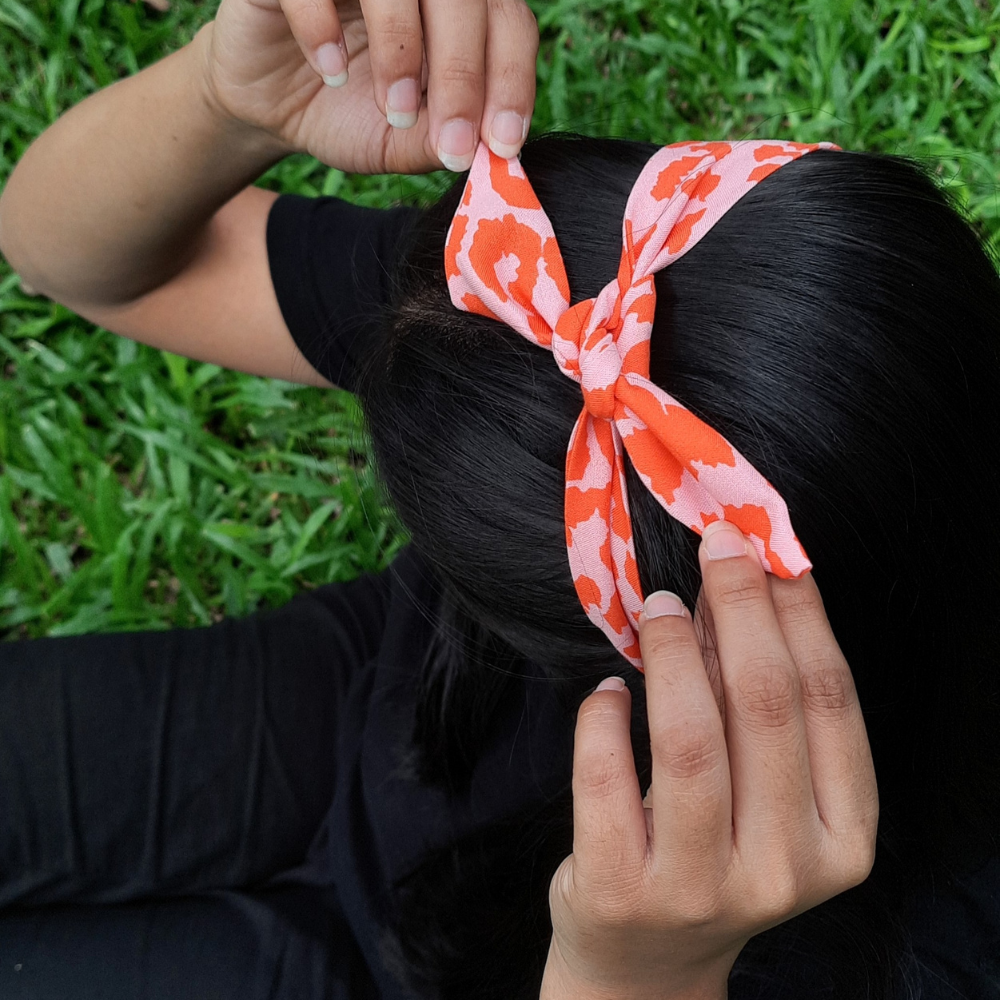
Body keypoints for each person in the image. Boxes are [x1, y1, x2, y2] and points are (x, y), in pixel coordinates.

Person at [0, 3, 998, 1000]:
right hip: (366, 705)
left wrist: (629, 979)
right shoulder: (548, 313)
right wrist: (224, 102)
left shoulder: (928, 947)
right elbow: (71, 259)